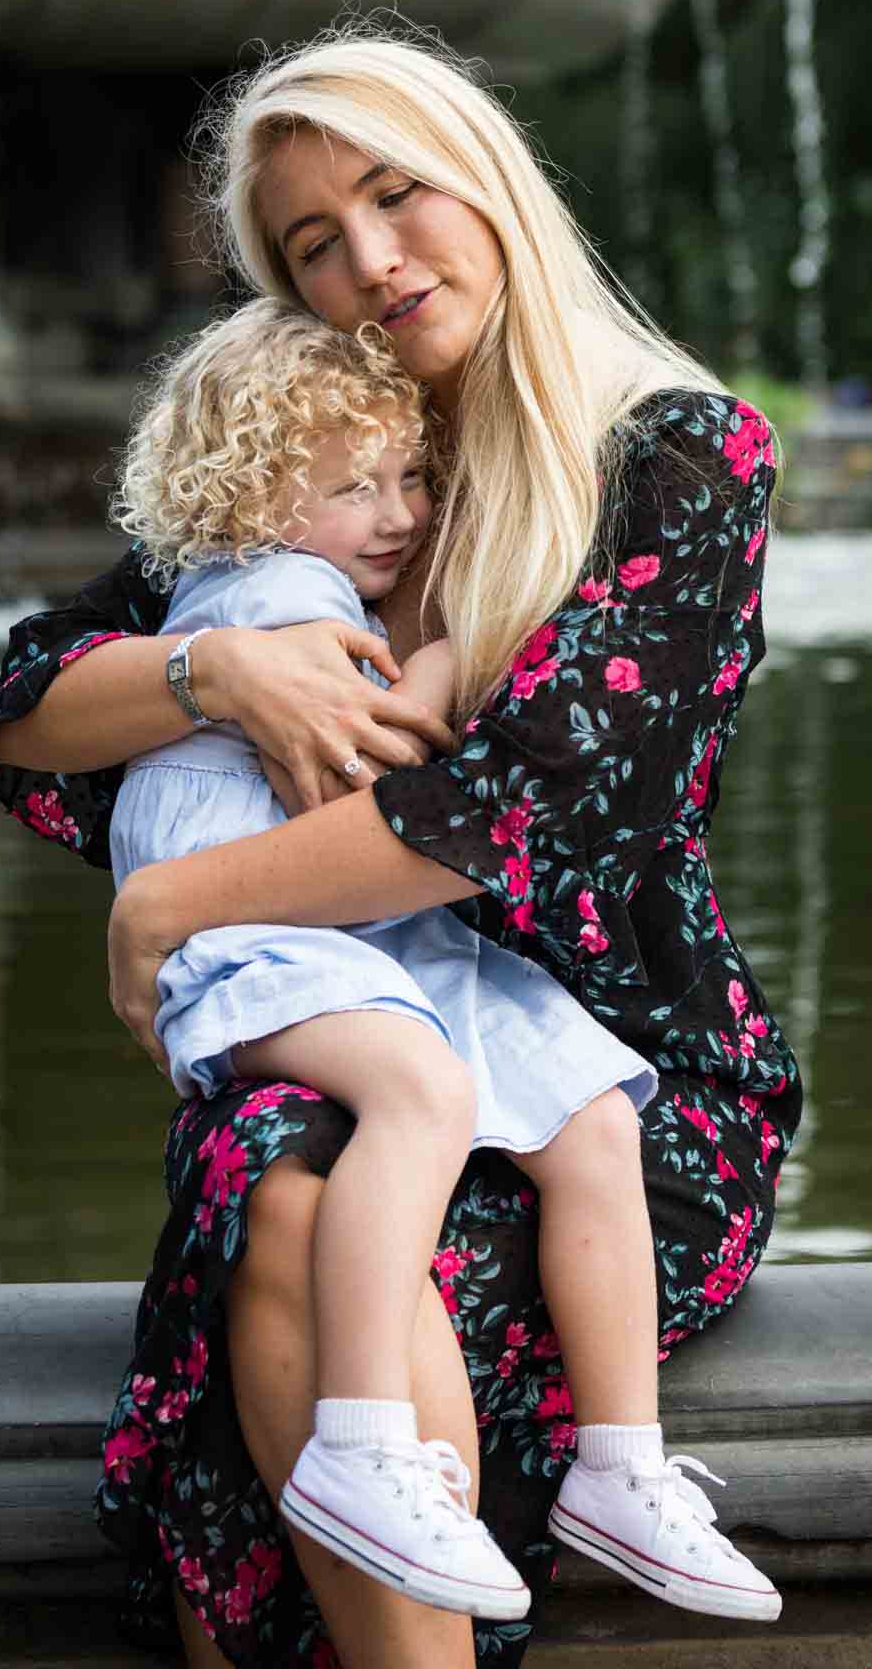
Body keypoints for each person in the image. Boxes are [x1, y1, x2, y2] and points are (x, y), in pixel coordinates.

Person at [0, 21, 803, 1669]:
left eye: (395, 194)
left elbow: (493, 824)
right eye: (308, 246)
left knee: (300, 1200)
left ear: (487, 181)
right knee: (272, 1175)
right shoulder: (306, 470)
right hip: (368, 1019)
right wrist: (216, 665)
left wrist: (174, 908)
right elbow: (26, 713)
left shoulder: (678, 456)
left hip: (609, 1073)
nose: (369, 261)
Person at [103, 291, 779, 1628]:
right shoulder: (276, 601)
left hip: (375, 940)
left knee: (592, 1114)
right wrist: (435, 675)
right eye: (356, 486)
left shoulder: (316, 577)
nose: (401, 511)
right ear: (245, 495)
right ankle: (362, 1448)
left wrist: (444, 648)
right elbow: (399, 780)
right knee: (419, 1099)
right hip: (260, 941)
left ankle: (619, 1470)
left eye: (411, 475)